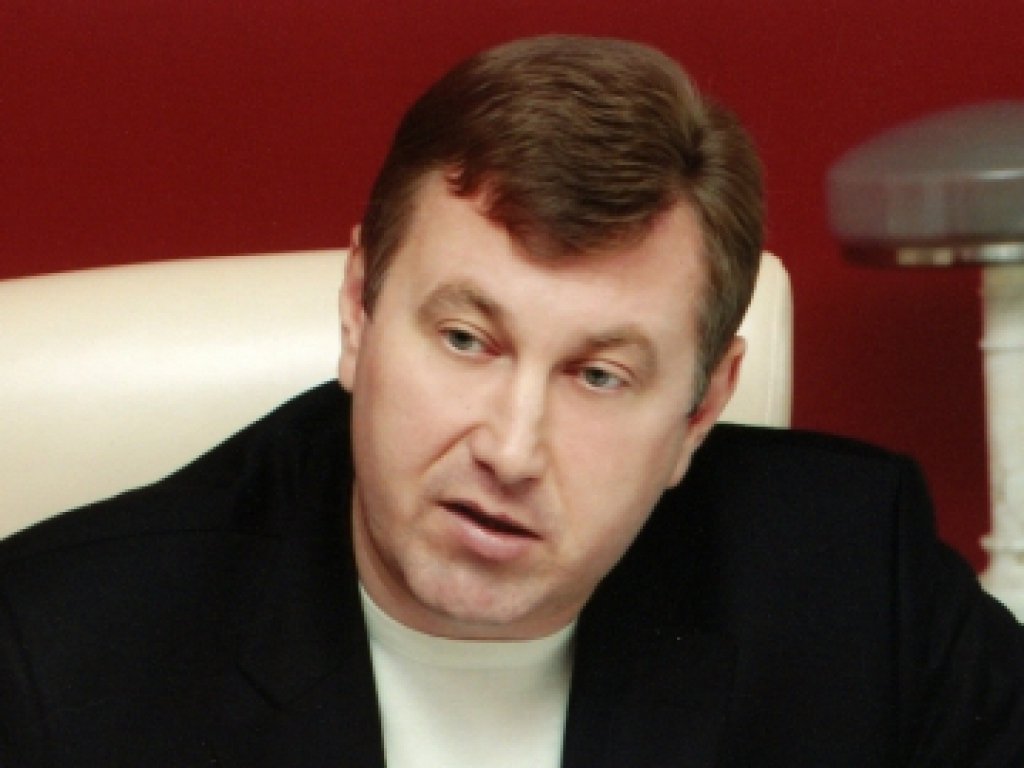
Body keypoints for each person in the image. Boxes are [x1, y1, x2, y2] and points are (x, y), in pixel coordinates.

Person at [1, 35, 1022, 768]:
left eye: (598, 375)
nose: (511, 448)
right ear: (358, 312)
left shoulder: (854, 588)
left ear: (703, 410)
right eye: (465, 340)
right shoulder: (55, 662)